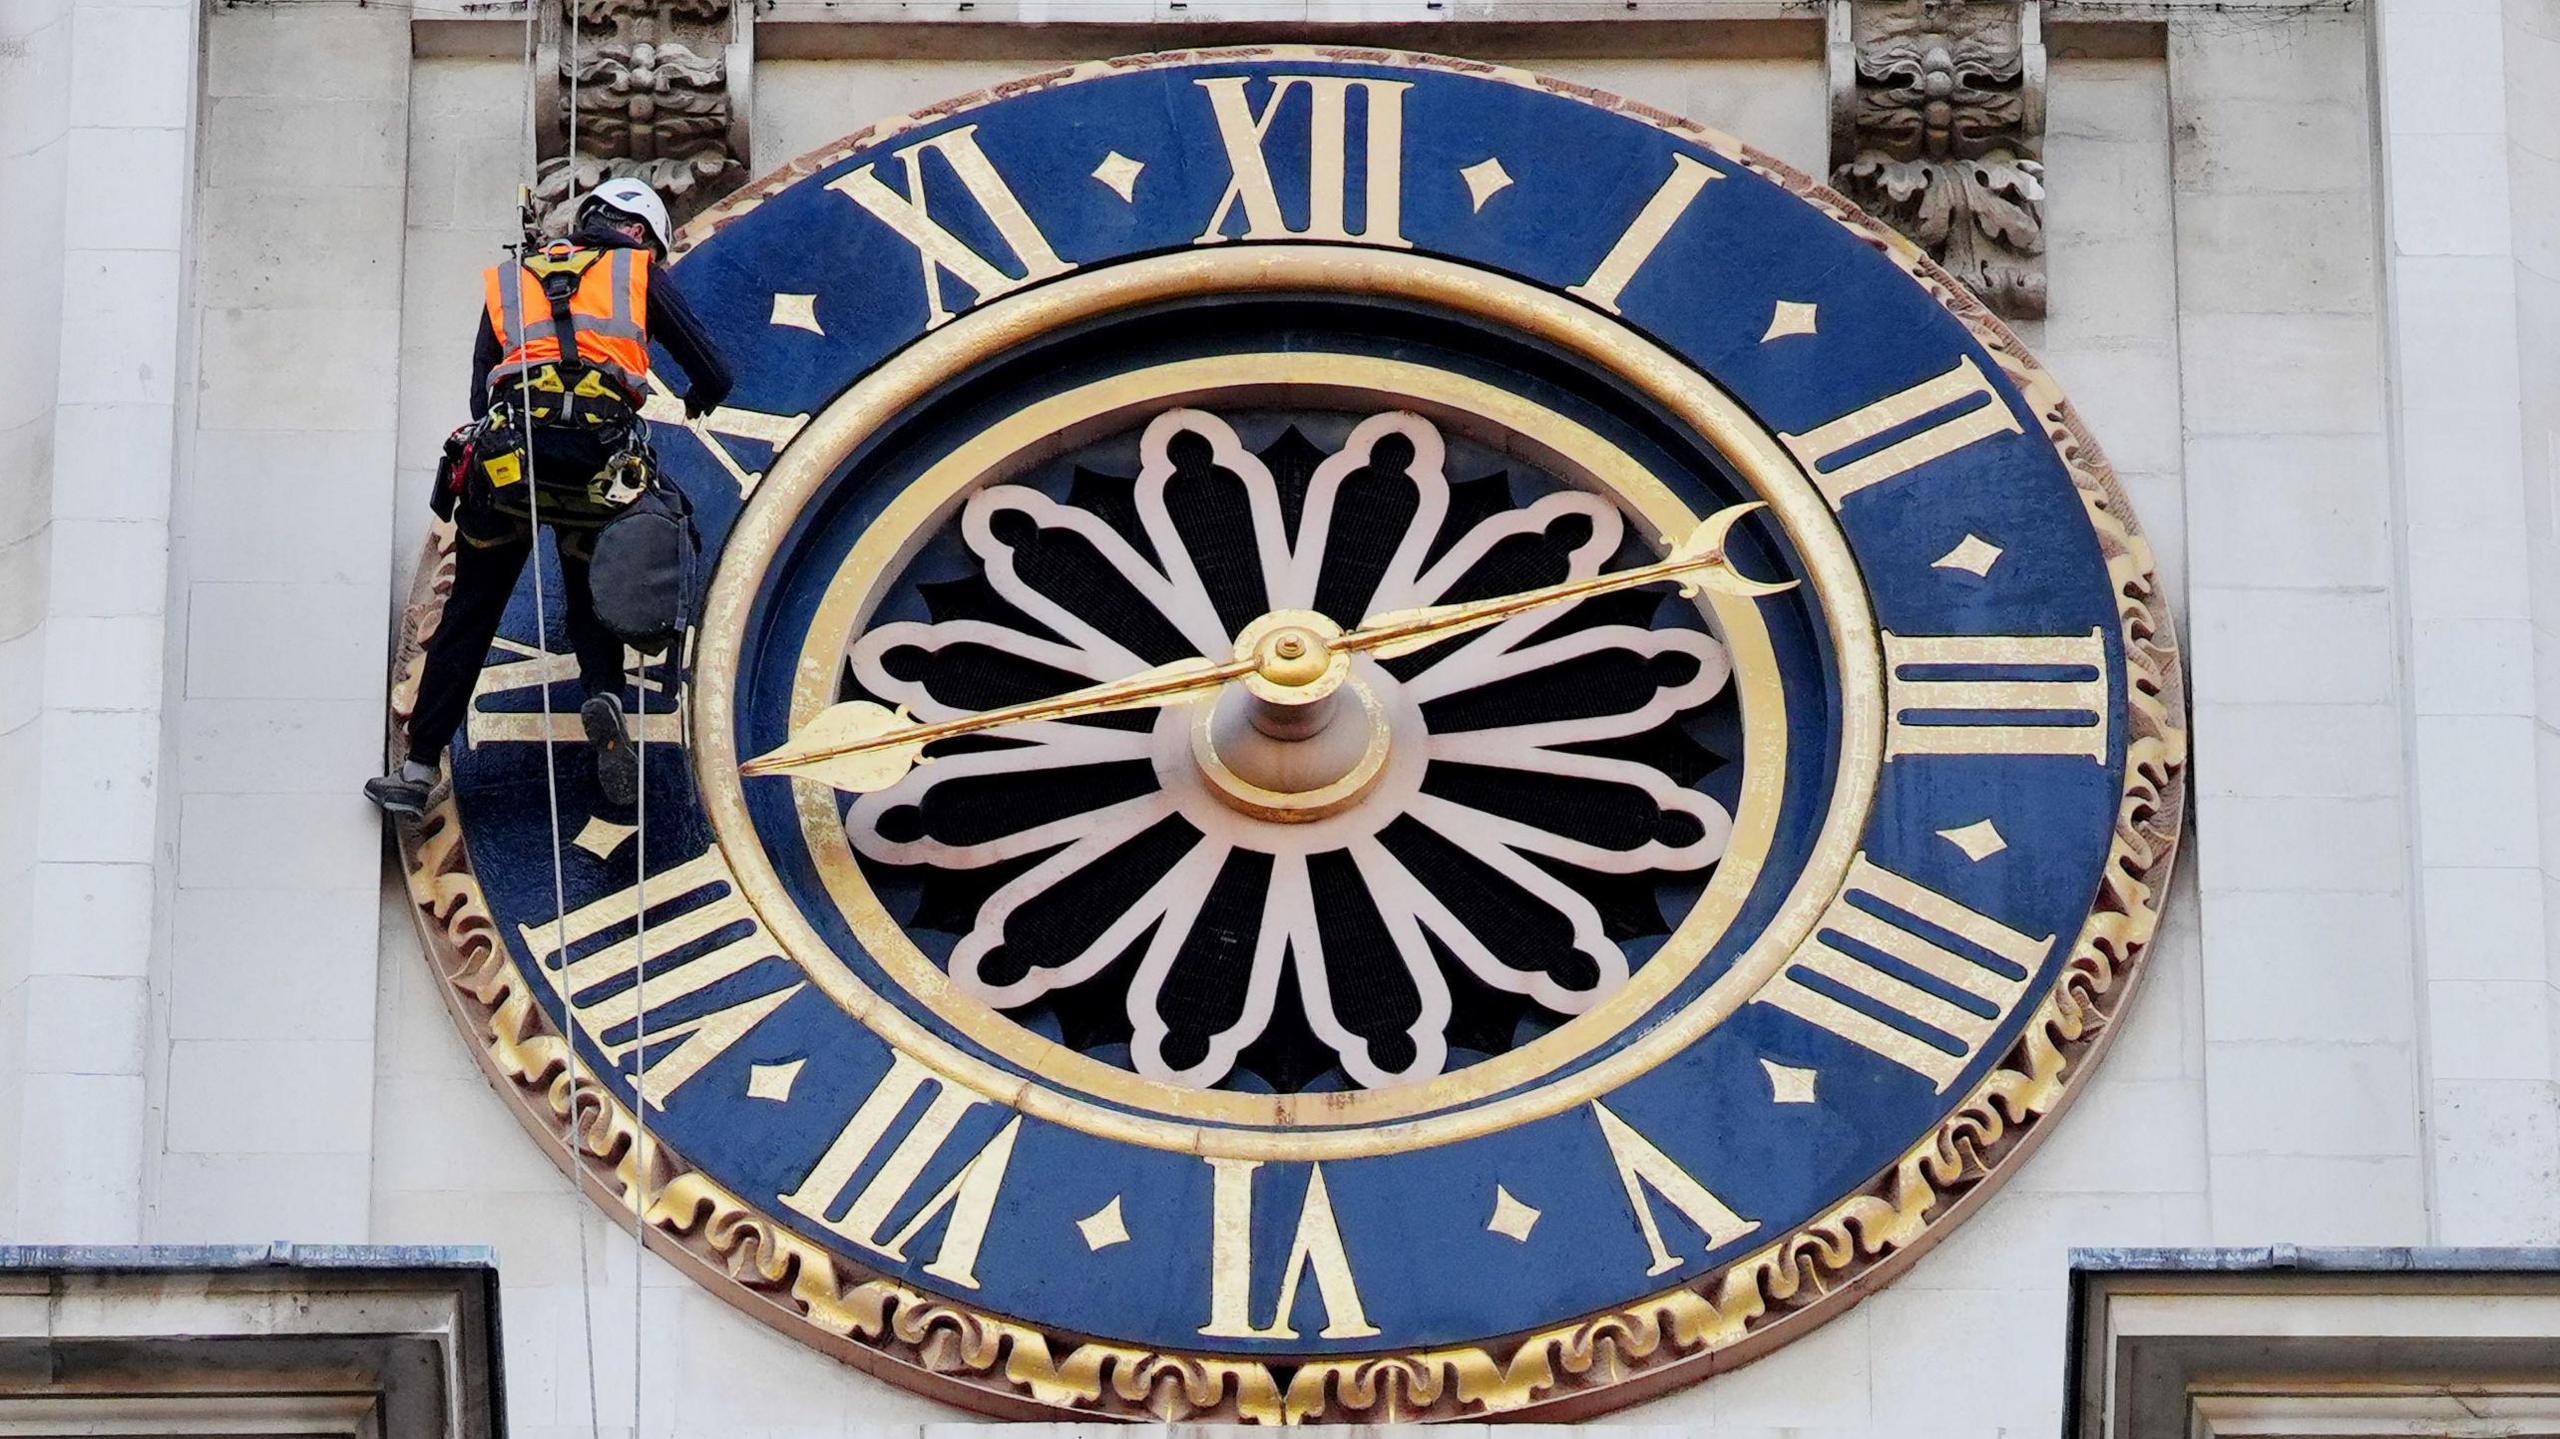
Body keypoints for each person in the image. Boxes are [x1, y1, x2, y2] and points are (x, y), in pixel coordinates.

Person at [366, 179, 734, 819]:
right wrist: (697, 396)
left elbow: (482, 395)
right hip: (597, 459)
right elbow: (714, 370)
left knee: (471, 612)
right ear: (642, 233)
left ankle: (420, 766)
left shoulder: (512, 280)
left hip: (508, 464)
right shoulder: (635, 271)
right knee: (593, 575)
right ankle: (604, 692)